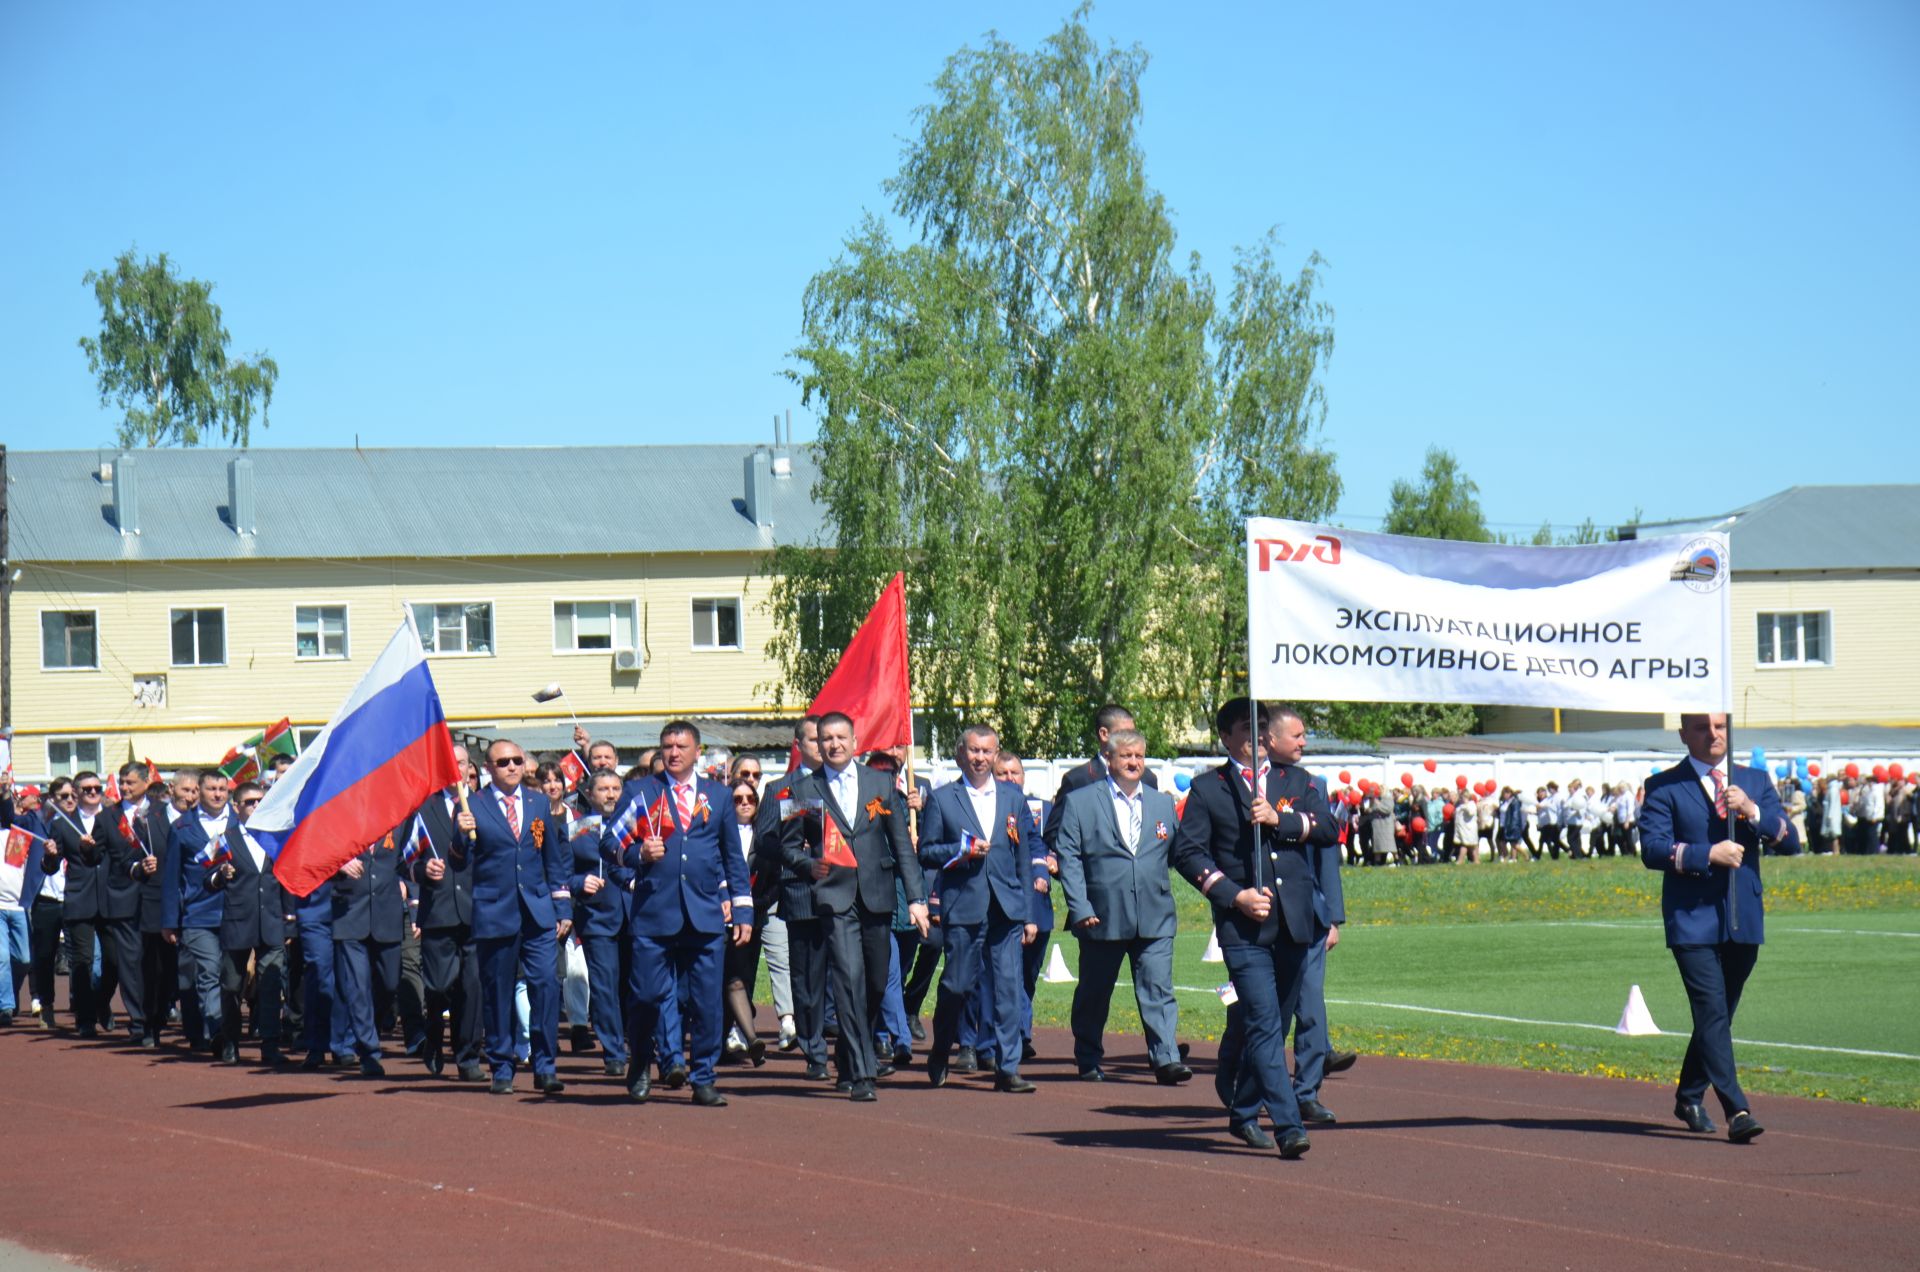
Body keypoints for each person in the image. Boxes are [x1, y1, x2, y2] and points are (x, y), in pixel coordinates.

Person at [1172, 699, 1333, 1160]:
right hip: (1245, 928)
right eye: (1246, 728)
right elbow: (1188, 854)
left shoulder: (1295, 780)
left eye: (1261, 727)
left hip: (1294, 922)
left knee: (1274, 1025)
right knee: (1263, 1022)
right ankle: (1287, 1125)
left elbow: (1327, 829)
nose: (1257, 736)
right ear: (1226, 737)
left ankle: (1242, 1111)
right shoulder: (1209, 789)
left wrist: (1281, 820)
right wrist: (1233, 894)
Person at [1638, 712, 1789, 1144]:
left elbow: (1791, 840)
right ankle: (1737, 1109)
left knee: (1718, 1017)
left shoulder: (1755, 781)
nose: (1714, 734)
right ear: (1684, 734)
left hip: (1743, 918)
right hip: (1692, 921)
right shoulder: (1664, 786)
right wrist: (1706, 854)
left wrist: (1753, 811)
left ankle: (1688, 1096)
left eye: (1720, 726)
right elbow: (1652, 849)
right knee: (1710, 1011)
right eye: (1702, 727)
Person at [777, 711, 928, 1101]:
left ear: (855, 740)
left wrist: (916, 899)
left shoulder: (880, 782)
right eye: (826, 738)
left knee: (876, 984)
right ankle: (862, 1074)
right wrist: (810, 865)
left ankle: (846, 1052)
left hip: (877, 897)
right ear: (818, 743)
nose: (834, 745)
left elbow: (902, 847)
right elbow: (787, 847)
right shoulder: (801, 790)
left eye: (841, 737)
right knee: (847, 979)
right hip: (834, 898)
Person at [611, 720, 752, 1107]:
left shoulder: (718, 796)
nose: (674, 752)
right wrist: (637, 854)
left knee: (707, 1000)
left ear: (697, 751)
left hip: (704, 913)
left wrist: (743, 911)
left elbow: (732, 857)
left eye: (681, 746)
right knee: (645, 996)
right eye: (668, 746)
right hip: (654, 914)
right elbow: (611, 841)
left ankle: (703, 1075)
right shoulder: (641, 792)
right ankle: (640, 1062)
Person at [1054, 727, 1189, 1087]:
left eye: (1139, 756)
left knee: (1158, 989)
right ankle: (1087, 1056)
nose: (1133, 763)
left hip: (1155, 915)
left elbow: (1180, 854)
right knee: (1095, 993)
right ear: (1110, 759)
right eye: (1126, 756)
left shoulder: (1162, 803)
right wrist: (1079, 907)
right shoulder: (1081, 801)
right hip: (1101, 915)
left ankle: (1165, 1058)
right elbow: (1068, 857)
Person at [919, 724, 1040, 1093]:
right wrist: (961, 850)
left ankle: (1007, 1067)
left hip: (1006, 908)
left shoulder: (1014, 799)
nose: (980, 758)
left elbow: (1023, 857)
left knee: (1008, 987)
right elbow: (926, 851)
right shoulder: (942, 799)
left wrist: (1029, 913)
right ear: (961, 754)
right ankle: (941, 1050)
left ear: (996, 752)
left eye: (987, 751)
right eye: (973, 751)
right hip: (964, 905)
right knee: (956, 986)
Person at [458, 738, 572, 1097]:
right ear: (489, 768)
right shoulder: (472, 805)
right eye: (502, 761)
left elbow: (552, 860)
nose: (511, 766)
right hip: (495, 911)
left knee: (546, 987)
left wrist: (562, 908)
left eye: (517, 760)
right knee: (498, 992)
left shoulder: (539, 803)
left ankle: (545, 1065)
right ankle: (502, 1066)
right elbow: (459, 861)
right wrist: (462, 837)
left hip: (537, 912)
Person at [410, 758, 485, 1081]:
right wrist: (421, 871)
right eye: (449, 762)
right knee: (440, 985)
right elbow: (406, 860)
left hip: (479, 910)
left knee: (472, 986)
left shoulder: (486, 804)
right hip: (438, 909)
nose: (456, 768)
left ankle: (468, 1056)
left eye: (462, 763)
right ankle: (434, 1033)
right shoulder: (422, 808)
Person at [162, 771, 243, 1059]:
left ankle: (226, 1028)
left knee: (231, 977)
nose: (218, 794)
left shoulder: (241, 824)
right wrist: (170, 921)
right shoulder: (182, 828)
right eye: (212, 789)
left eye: (223, 788)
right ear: (199, 790)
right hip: (198, 913)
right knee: (209, 971)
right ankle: (219, 1028)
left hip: (236, 913)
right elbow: (171, 877)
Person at [211, 781, 291, 1066]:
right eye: (249, 802)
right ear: (236, 807)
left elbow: (285, 878)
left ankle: (270, 1044)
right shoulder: (225, 837)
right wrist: (221, 874)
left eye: (260, 800)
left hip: (270, 922)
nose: (256, 806)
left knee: (270, 986)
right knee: (231, 986)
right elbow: (205, 878)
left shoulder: (275, 836)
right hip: (238, 923)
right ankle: (230, 1040)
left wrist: (289, 917)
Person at [331, 820, 408, 1078]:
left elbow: (410, 858)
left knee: (389, 984)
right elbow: (316, 857)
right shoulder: (341, 817)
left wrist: (410, 886)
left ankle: (368, 1030)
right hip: (351, 913)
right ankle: (369, 1051)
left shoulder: (401, 819)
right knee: (357, 985)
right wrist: (338, 864)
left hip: (387, 913)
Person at [44, 770, 117, 1035]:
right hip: (79, 897)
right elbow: (50, 867)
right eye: (87, 789)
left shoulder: (112, 818)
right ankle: (85, 1018)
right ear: (76, 793)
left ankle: (101, 1003)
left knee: (115, 960)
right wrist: (50, 855)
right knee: (83, 962)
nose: (93, 793)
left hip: (111, 898)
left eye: (97, 788)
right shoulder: (63, 824)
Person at [569, 770, 631, 1078]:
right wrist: (580, 882)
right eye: (603, 789)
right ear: (590, 795)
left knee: (637, 987)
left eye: (616, 788)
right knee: (605, 988)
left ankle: (641, 1043)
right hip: (597, 917)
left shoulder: (637, 825)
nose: (611, 794)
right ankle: (614, 1052)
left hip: (637, 916)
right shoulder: (575, 830)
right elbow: (560, 873)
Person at [995, 751, 1054, 1060]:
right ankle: (1020, 1034)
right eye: (1002, 773)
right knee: (1010, 973)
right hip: (1004, 903)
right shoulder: (990, 807)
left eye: (1014, 773)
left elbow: (1055, 843)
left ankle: (1016, 1025)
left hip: (1038, 905)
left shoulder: (1042, 808)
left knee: (1028, 975)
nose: (1009, 779)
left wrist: (1051, 862)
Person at [1043, 703, 1159, 852]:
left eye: (1133, 734)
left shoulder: (1147, 778)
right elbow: (1054, 834)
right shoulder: (1078, 780)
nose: (1131, 740)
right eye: (1124, 733)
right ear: (1104, 734)